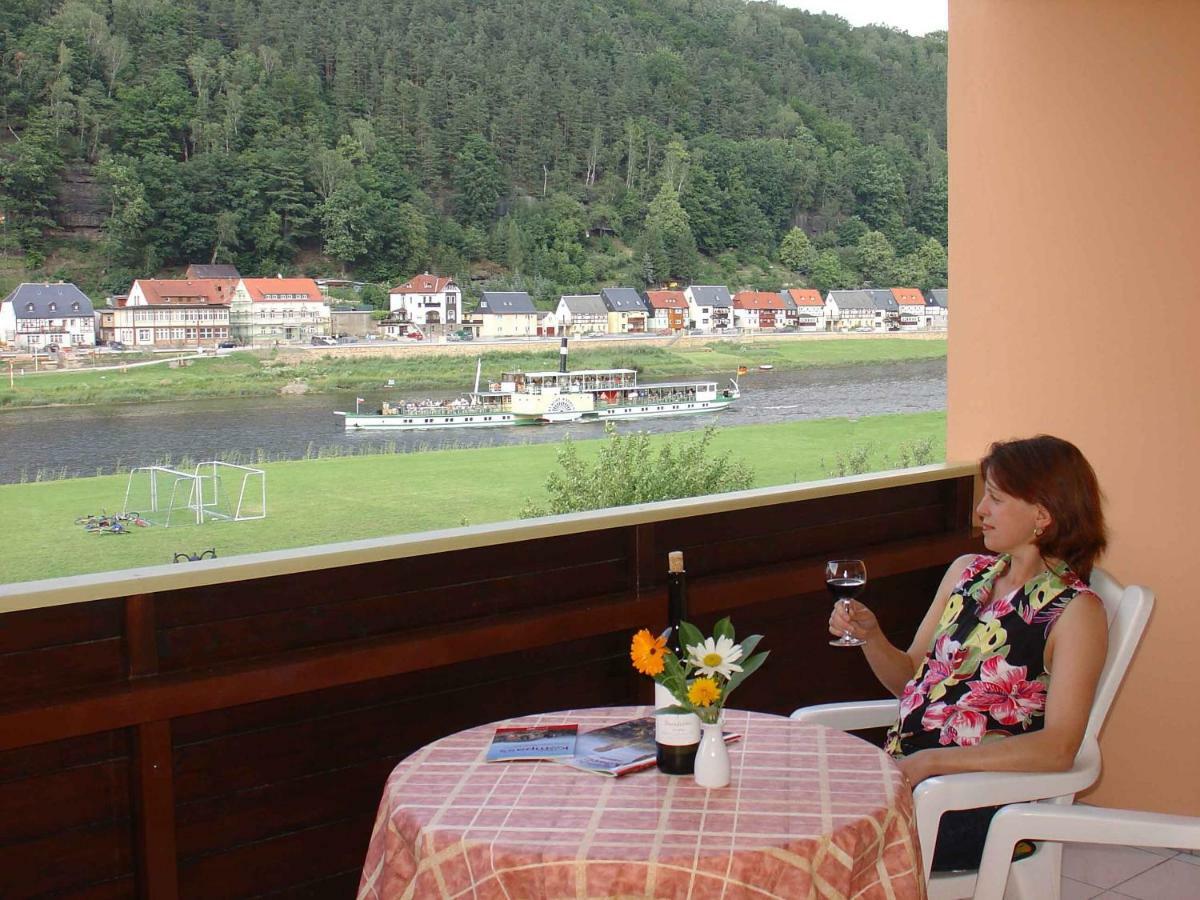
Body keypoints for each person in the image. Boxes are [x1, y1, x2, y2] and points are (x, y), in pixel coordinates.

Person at [829, 434, 1109, 871]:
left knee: (822, 848)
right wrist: (872, 636)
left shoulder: (1075, 612)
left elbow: (1058, 749)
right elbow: (909, 679)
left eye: (995, 498)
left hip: (975, 803)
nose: (980, 510)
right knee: (793, 813)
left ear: (1042, 514)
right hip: (908, 779)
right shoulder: (968, 573)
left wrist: (931, 763)